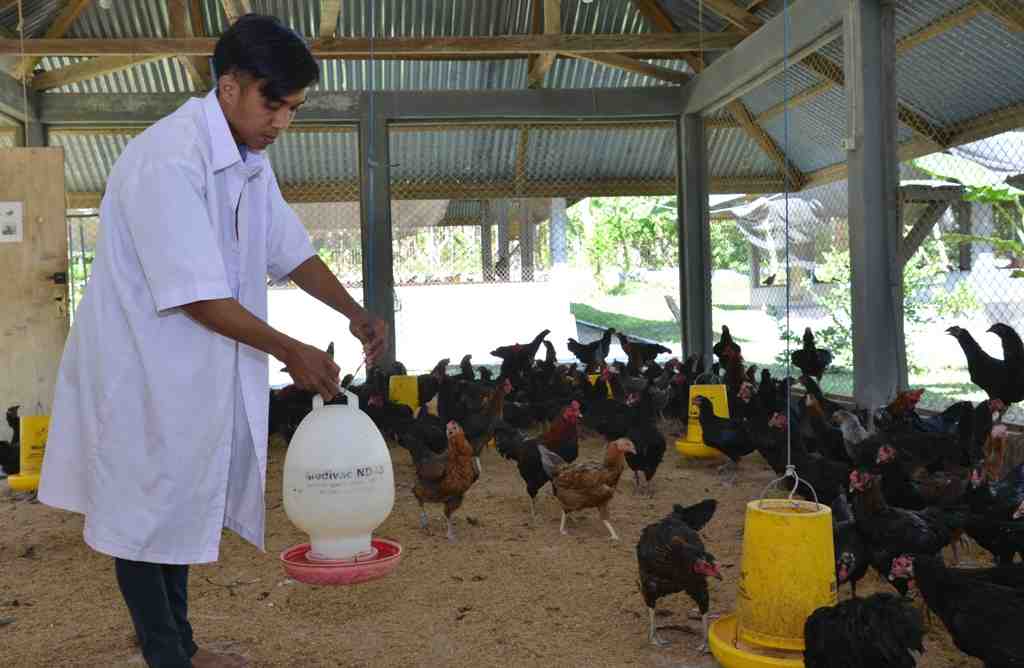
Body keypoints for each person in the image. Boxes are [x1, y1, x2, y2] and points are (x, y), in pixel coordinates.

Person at [38, 15, 386, 668]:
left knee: (174, 510)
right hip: (143, 366)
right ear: (229, 87)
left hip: (191, 368)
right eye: (272, 103)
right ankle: (169, 654)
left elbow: (290, 250)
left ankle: (179, 647)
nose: (282, 121)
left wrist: (353, 310)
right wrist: (292, 350)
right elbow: (194, 293)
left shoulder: (248, 162)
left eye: (293, 108)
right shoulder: (167, 160)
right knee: (145, 518)